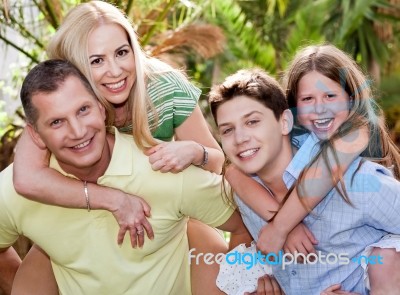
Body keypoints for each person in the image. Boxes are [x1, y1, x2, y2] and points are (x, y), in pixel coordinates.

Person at [11, 1, 228, 293]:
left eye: (121, 53)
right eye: (96, 60)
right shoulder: (65, 102)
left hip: (164, 213)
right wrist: (113, 199)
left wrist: (194, 151)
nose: (114, 71)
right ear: (72, 65)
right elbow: (26, 178)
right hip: (83, 217)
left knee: (215, 260)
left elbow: (217, 161)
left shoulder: (163, 87)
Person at [208, 65, 400, 294]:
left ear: (285, 122)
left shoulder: (356, 184)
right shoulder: (247, 194)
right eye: (227, 130)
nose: (240, 138)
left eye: (252, 122)